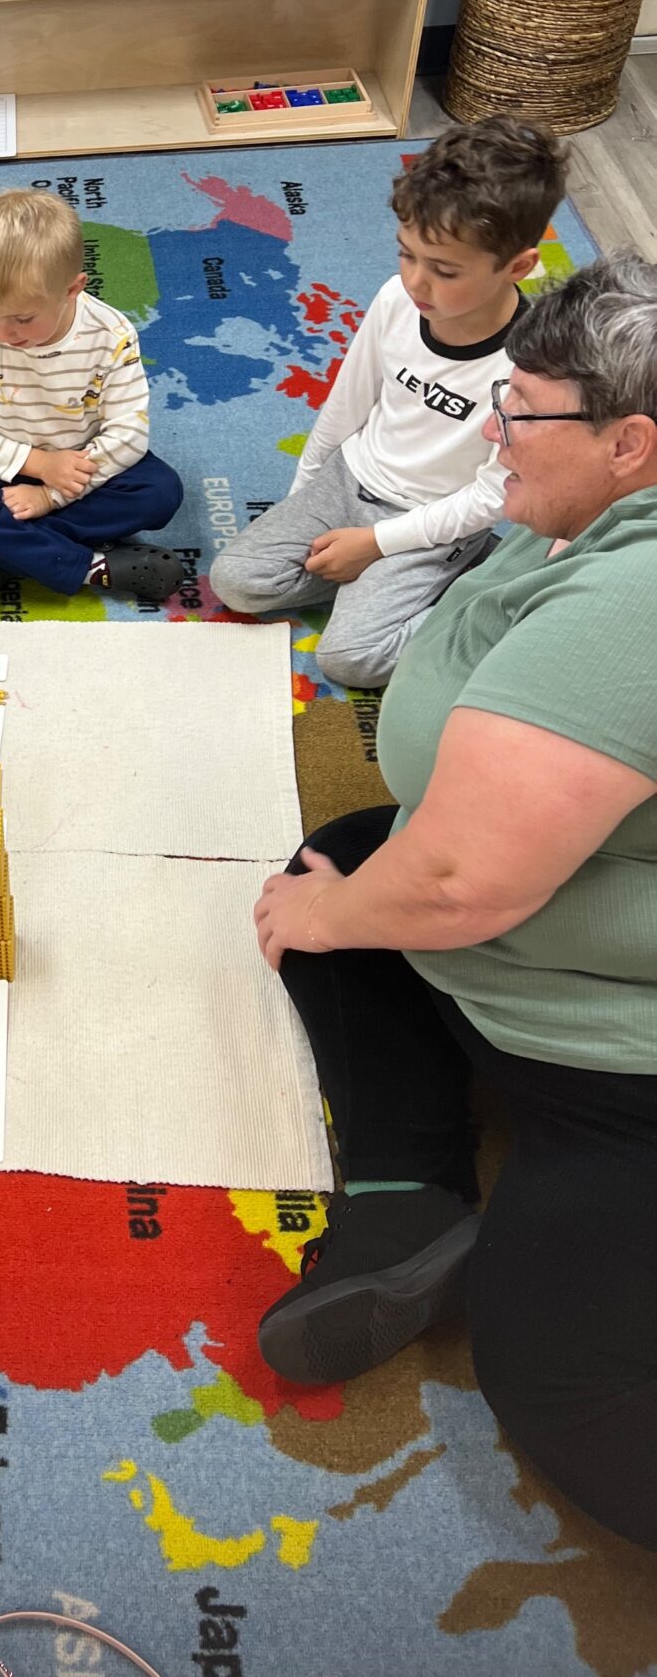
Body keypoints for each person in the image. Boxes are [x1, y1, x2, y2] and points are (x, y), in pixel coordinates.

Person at [251, 256, 657, 1551]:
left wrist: (341, 917)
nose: (493, 431)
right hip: (529, 943)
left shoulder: (637, 606)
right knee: (340, 862)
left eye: (520, 413)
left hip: (617, 1052)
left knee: (557, 1374)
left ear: (629, 443)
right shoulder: (587, 507)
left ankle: (480, 1187)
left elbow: (457, 879)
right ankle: (407, 1196)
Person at [210, 118, 567, 687]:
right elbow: (347, 404)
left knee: (351, 658)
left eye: (444, 270)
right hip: (350, 477)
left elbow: (490, 494)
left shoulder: (529, 367)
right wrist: (303, 495)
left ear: (518, 266)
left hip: (437, 518)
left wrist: (378, 545)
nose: (416, 282)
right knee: (236, 582)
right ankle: (395, 584)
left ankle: (489, 595)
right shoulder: (396, 298)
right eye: (407, 255)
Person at [0, 189, 185, 606]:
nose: (2, 333)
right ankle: (89, 567)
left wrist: (52, 495)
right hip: (0, 465)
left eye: (22, 318)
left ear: (72, 289)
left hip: (83, 464)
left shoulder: (112, 334)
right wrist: (40, 465)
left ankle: (8, 553)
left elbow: (128, 434)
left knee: (160, 491)